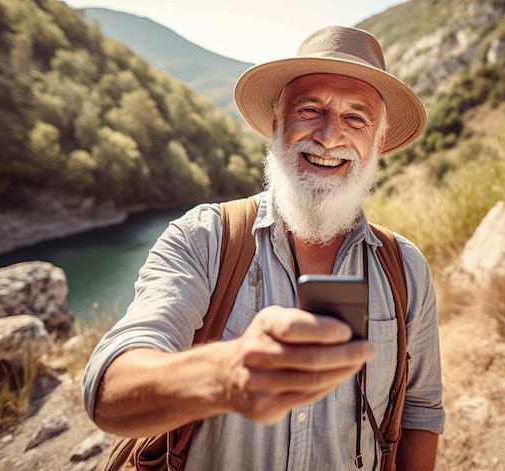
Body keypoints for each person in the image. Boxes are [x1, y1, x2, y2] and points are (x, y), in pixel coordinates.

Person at [83, 25, 445, 470]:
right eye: (310, 110)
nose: (330, 137)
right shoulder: (205, 238)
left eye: (356, 118)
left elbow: (421, 409)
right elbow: (107, 392)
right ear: (277, 124)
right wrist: (226, 375)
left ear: (379, 142)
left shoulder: (405, 268)